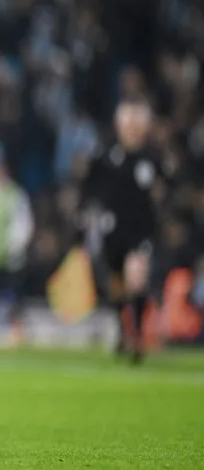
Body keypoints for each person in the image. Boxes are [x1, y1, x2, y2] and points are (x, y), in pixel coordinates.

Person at [79, 97, 164, 364]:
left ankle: (136, 335)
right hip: (113, 230)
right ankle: (121, 327)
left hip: (141, 231)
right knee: (117, 286)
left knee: (136, 279)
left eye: (136, 124)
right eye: (127, 124)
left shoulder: (152, 158)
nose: (131, 129)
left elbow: (166, 187)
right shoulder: (107, 156)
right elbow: (90, 187)